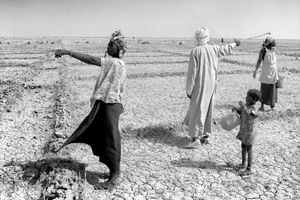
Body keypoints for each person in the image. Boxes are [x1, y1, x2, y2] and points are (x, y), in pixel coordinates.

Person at [54, 30, 127, 190]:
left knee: (110, 138)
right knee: (110, 135)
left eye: (111, 45)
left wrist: (68, 52)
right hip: (110, 103)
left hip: (110, 104)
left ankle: (114, 177)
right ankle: (115, 170)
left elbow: (92, 60)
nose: (108, 46)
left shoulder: (115, 63)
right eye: (108, 43)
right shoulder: (117, 63)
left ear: (118, 49)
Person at [183, 27, 241, 149]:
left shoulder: (195, 51)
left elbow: (192, 72)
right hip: (212, 83)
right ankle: (205, 135)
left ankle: (195, 138)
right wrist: (235, 43)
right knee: (208, 107)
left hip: (200, 84)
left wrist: (189, 89)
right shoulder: (213, 48)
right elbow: (226, 49)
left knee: (197, 109)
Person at [232, 89, 261, 176]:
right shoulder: (247, 106)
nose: (246, 97)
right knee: (243, 146)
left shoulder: (254, 109)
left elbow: (249, 117)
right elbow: (242, 112)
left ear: (254, 99)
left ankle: (249, 168)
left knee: (249, 149)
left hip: (250, 132)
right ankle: (243, 163)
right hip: (244, 130)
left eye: (248, 97)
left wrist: (243, 108)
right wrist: (236, 109)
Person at [253, 37, 278, 111]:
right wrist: (255, 71)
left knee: (272, 89)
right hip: (266, 72)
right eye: (273, 42)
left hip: (273, 72)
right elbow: (259, 61)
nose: (274, 43)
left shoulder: (274, 50)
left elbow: (275, 63)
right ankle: (262, 106)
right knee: (264, 89)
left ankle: (272, 106)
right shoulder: (263, 50)